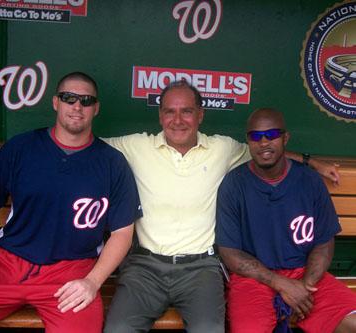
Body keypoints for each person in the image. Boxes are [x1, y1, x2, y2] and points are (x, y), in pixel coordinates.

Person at [103, 81, 340, 333]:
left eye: (187, 111)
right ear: (160, 116)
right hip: (145, 268)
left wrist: (313, 162)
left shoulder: (222, 148)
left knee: (209, 329)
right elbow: (88, 146)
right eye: (170, 111)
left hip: (200, 269)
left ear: (201, 114)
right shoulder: (136, 146)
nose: (178, 119)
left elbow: (267, 150)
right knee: (118, 328)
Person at [0, 72, 142, 333]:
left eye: (86, 100)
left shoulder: (112, 163)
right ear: (55, 102)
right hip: (6, 264)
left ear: (96, 108)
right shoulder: (21, 147)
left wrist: (92, 282)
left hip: (72, 271)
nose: (77, 106)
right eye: (68, 97)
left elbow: (122, 232)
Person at [215, 108, 356, 332]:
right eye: (256, 136)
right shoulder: (234, 184)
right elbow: (231, 254)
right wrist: (281, 284)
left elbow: (324, 242)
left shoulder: (309, 180)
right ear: (248, 141)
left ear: (285, 138)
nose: (263, 142)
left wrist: (306, 285)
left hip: (305, 274)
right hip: (254, 279)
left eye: (271, 135)